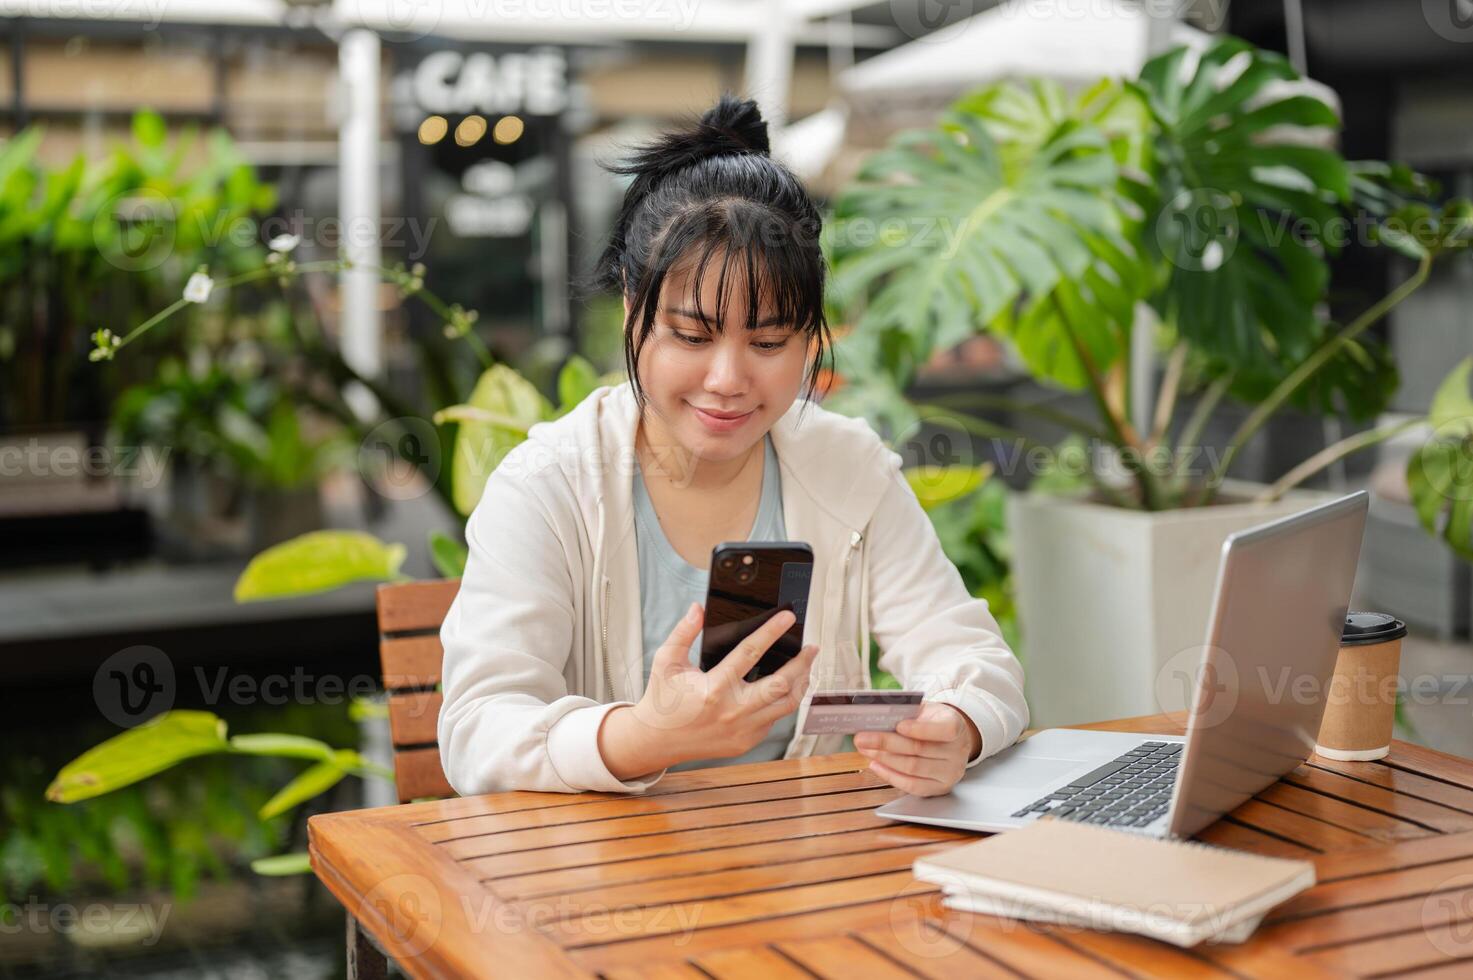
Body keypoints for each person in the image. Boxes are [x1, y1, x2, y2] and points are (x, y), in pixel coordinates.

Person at [438, 94, 1027, 797]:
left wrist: (955, 725)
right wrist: (641, 737)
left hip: (806, 865)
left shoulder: (845, 467)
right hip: (607, 879)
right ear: (631, 311)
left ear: (810, 336)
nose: (727, 381)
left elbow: (969, 655)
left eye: (769, 342)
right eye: (691, 336)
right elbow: (477, 731)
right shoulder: (546, 484)